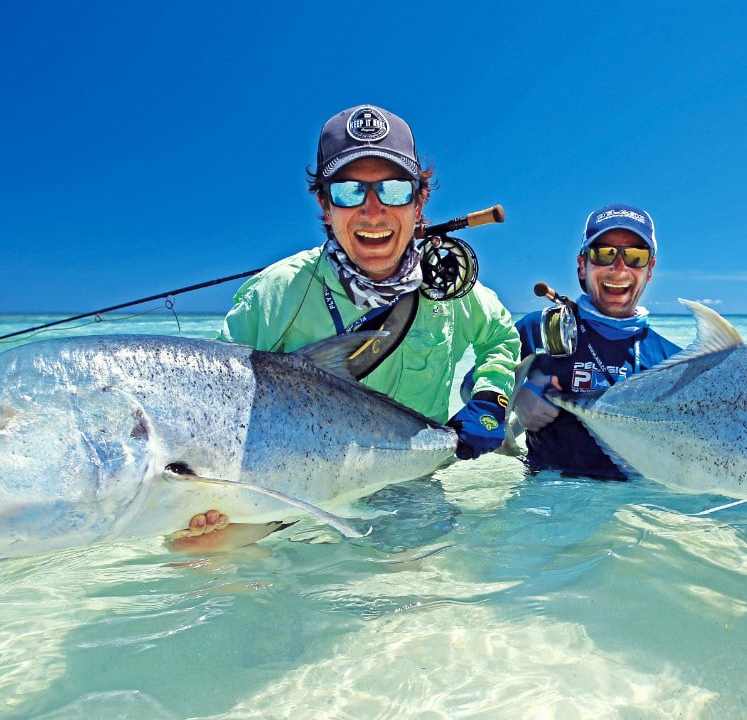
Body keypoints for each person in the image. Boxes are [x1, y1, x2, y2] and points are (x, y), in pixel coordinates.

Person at [178, 104, 519, 547]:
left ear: (419, 202)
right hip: (285, 488)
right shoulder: (275, 293)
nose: (373, 212)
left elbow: (500, 335)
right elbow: (209, 397)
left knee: (420, 602)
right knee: (198, 558)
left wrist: (490, 398)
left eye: (395, 190)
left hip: (409, 483)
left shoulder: (450, 291)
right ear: (324, 203)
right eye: (349, 191)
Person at [511, 204, 682, 480]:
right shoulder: (538, 330)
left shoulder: (674, 361)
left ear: (650, 269)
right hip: (544, 506)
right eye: (604, 253)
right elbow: (473, 387)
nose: (618, 268)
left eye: (635, 257)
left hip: (638, 510)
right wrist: (515, 397)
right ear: (583, 265)